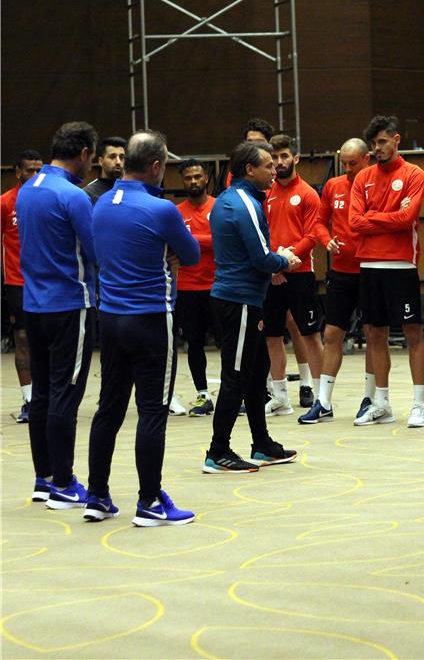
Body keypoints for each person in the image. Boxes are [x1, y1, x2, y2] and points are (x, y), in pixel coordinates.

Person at [87, 130, 200, 525]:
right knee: (153, 410)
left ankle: (97, 495)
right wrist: (166, 250)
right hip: (151, 318)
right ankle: (149, 501)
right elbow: (192, 254)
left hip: (110, 318)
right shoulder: (161, 209)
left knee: (109, 407)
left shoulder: (100, 204)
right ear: (155, 167)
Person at [203, 140, 299, 472]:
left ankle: (262, 444)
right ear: (249, 169)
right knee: (236, 376)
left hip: (243, 298)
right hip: (239, 301)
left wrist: (274, 262)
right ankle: (218, 451)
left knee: (257, 372)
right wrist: (284, 260)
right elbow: (261, 258)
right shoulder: (244, 204)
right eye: (268, 166)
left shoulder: (229, 199)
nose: (275, 170)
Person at [16, 122, 97, 508]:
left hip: (34, 305)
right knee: (66, 393)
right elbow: (95, 251)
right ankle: (64, 483)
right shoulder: (74, 196)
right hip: (69, 305)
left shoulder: (27, 190)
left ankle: (44, 477)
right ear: (83, 154)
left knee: (44, 393)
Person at [349, 115, 424, 427]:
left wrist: (372, 216)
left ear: (396, 140)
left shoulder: (413, 174)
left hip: (401, 265)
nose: (377, 148)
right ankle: (381, 403)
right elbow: (354, 222)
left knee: (413, 333)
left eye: (382, 141)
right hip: (369, 265)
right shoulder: (363, 177)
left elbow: (407, 218)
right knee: (374, 334)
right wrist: (388, 217)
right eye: (373, 143)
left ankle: (419, 405)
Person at [298, 138, 375, 423]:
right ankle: (324, 401)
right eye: (344, 163)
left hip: (370, 269)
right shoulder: (333, 186)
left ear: (367, 159)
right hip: (341, 273)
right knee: (331, 334)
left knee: (373, 334)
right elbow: (319, 222)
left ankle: (370, 398)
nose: (348, 168)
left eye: (353, 163)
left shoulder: (375, 185)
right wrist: (326, 240)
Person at [261, 134, 324, 417]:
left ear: (295, 158)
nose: (279, 162)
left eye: (284, 156)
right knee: (272, 336)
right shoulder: (264, 193)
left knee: (309, 334)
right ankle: (281, 398)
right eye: (274, 157)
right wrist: (273, 264)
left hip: (300, 273)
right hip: (271, 273)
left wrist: (285, 261)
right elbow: (259, 232)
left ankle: (322, 398)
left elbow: (312, 236)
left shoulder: (308, 194)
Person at [1, 149, 43, 423]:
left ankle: (46, 396)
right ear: (18, 172)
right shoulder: (6, 203)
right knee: (24, 339)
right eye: (30, 170)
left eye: (40, 170)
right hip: (18, 283)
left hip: (48, 283)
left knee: (48, 342)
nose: (35, 175)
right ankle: (29, 400)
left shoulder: (50, 199)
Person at [175, 159, 217, 416]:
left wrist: (190, 239)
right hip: (187, 287)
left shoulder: (219, 207)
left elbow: (221, 240)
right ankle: (203, 394)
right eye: (188, 178)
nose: (193, 181)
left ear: (206, 178)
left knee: (228, 343)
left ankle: (236, 393)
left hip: (218, 286)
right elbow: (175, 244)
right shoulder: (176, 212)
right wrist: (203, 241)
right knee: (194, 343)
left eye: (197, 177)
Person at [83, 136, 127, 205]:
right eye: (112, 157)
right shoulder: (89, 193)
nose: (118, 162)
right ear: (100, 161)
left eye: (121, 157)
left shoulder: (130, 188)